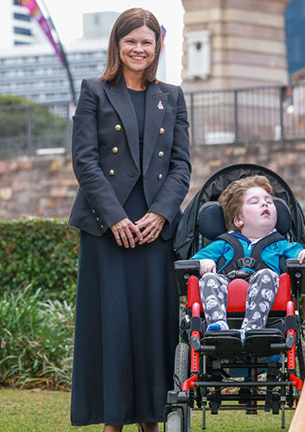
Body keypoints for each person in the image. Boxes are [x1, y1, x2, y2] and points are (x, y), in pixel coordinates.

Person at [68, 8, 191, 432]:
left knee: (153, 327)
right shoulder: (93, 91)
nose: (139, 49)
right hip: (106, 229)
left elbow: (181, 166)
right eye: (131, 41)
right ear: (117, 45)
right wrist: (115, 218)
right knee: (112, 326)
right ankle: (113, 421)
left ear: (157, 46)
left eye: (146, 42)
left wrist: (160, 213)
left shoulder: (172, 96)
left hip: (155, 231)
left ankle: (152, 419)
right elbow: (85, 162)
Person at [190, 175, 305, 335]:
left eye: (269, 201)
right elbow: (194, 262)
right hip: (226, 289)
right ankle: (217, 325)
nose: (265, 203)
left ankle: (252, 328)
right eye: (254, 202)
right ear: (239, 220)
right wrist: (204, 261)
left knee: (267, 275)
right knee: (209, 278)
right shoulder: (223, 244)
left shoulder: (283, 245)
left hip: (267, 292)